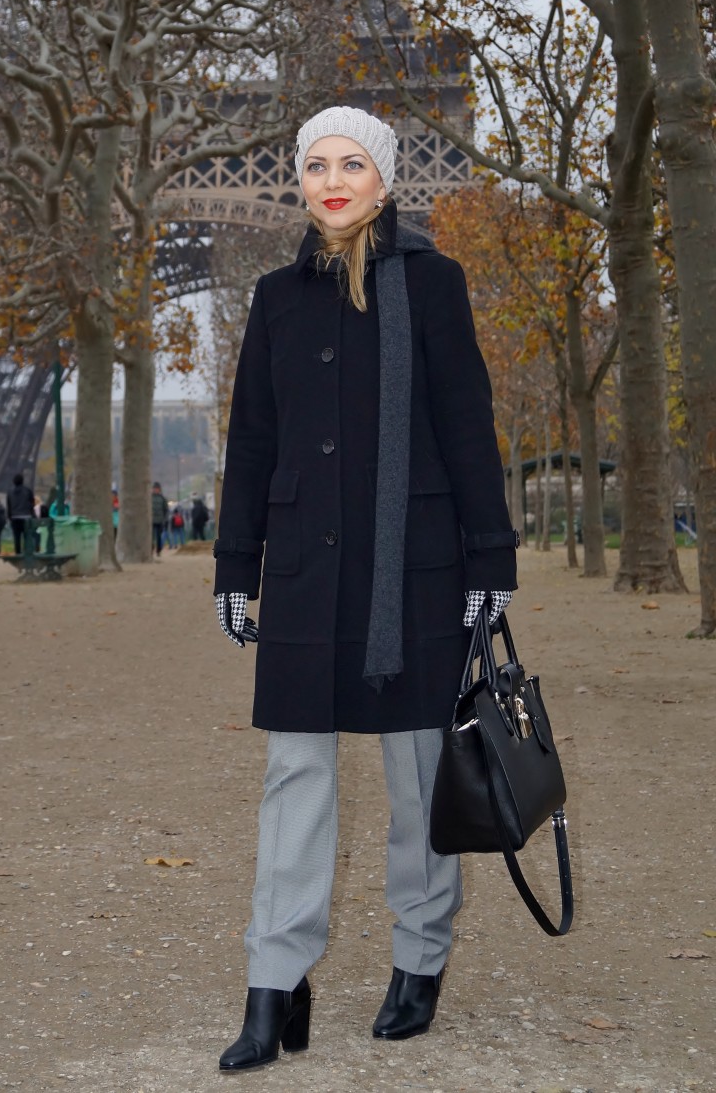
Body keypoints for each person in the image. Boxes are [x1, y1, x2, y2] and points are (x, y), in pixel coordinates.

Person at [213, 106, 517, 1072]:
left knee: (416, 775)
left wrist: (490, 562)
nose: (332, 179)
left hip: (411, 570)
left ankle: (419, 955)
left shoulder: (433, 286)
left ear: (385, 180)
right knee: (294, 776)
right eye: (315, 164)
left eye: (353, 163)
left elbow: (468, 427)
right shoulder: (274, 298)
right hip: (306, 566)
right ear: (298, 181)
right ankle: (275, 983)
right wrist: (234, 563)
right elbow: (253, 441)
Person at [6, 473, 35, 555]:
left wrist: (9, 517)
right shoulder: (28, 491)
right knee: (27, 536)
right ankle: (27, 552)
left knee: (17, 537)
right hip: (26, 516)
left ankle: (17, 553)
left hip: (15, 517)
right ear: (23, 481)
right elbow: (32, 503)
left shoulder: (10, 492)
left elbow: (9, 505)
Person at [150, 482, 167, 557]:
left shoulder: (162, 498)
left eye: (157, 489)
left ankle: (158, 550)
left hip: (160, 520)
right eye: (154, 489)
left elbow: (165, 509)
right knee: (151, 537)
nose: (155, 490)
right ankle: (150, 549)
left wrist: (165, 519)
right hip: (151, 520)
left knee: (158, 537)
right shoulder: (149, 497)